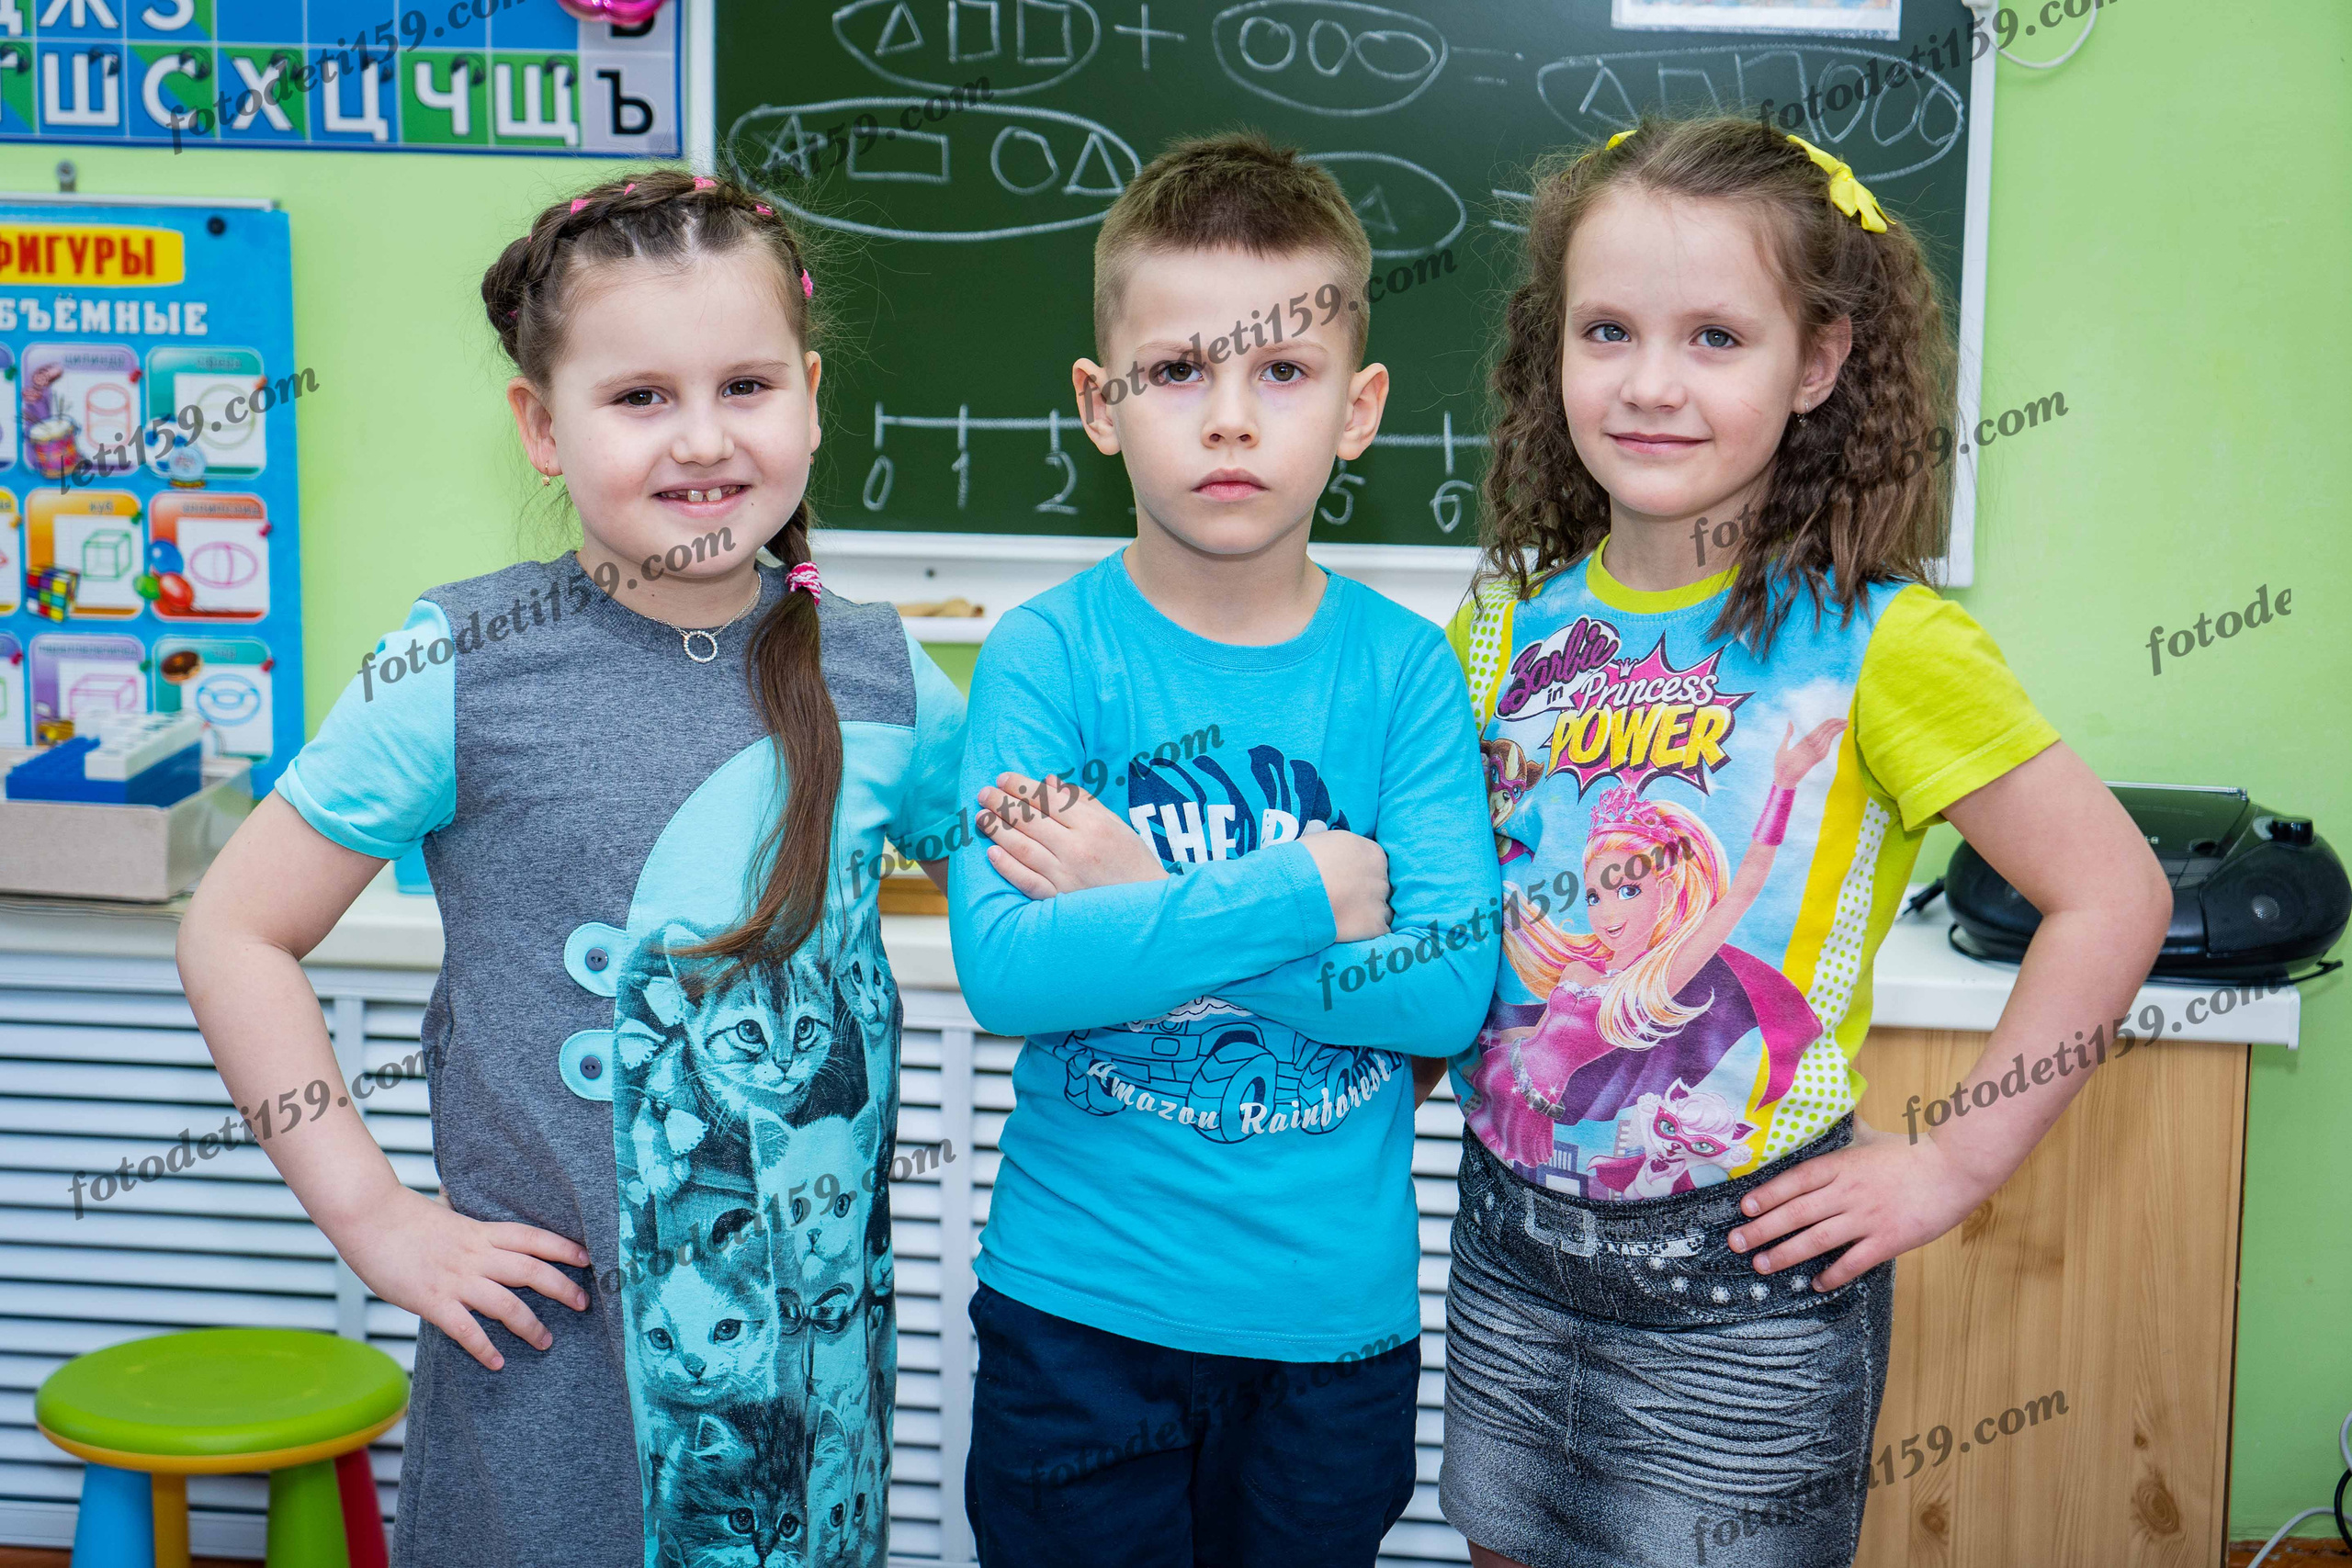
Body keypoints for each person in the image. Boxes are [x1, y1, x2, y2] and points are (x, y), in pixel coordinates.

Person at [175, 169, 967, 1568]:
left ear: (812, 395)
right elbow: (234, 932)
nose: (704, 440)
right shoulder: (458, 662)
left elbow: (1015, 880)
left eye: (747, 386)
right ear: (541, 426)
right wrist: (378, 1221)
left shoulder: (883, 670)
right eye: (640, 397)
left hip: (812, 1385)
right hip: (545, 1370)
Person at [1435, 118, 2172, 1568]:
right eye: (1608, 331)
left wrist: (1953, 1166)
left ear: (1818, 364)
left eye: (1716, 336)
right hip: (1507, 1265)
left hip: (1748, 1299)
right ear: (1553, 353)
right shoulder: (1497, 628)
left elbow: (2115, 896)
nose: (1651, 383)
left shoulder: (1886, 644)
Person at [945, 131, 1501, 1567]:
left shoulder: (1404, 676)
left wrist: (1141, 902)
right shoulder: (1046, 660)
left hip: (1331, 1338)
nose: (1232, 421)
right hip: (1080, 1317)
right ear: (1100, 403)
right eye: (1180, 371)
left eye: (1284, 374)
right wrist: (1303, 897)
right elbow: (1008, 970)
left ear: (1361, 408)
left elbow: (1445, 993)